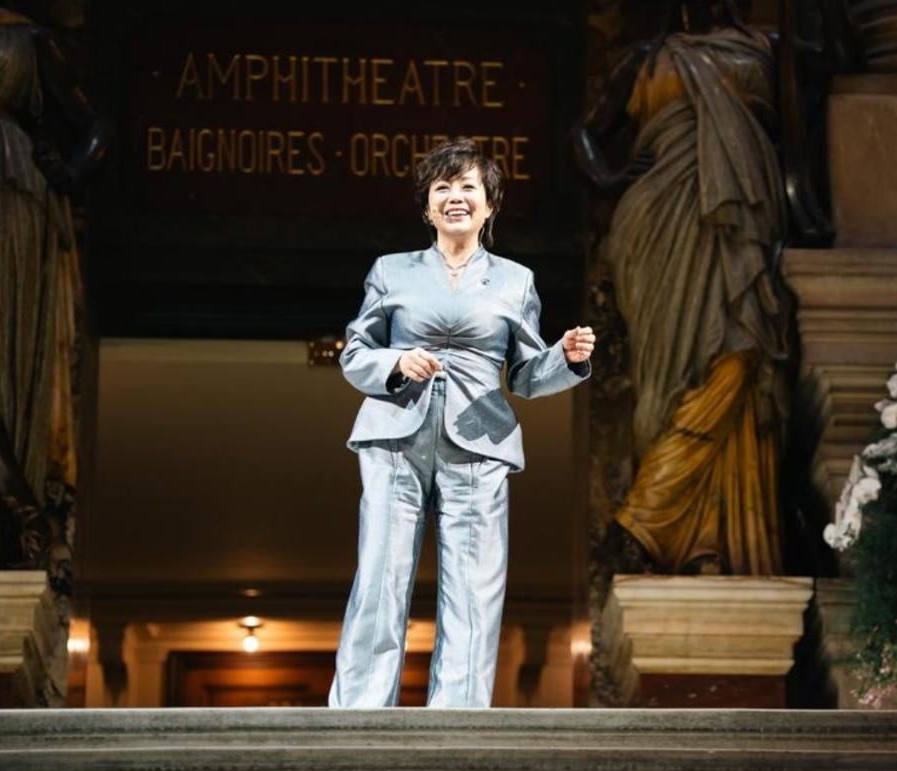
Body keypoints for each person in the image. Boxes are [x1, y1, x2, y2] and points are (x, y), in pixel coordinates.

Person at [329, 139, 594, 709]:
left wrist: (565, 358)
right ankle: (359, 712)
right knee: (380, 574)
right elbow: (355, 353)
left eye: (468, 186)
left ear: (489, 204)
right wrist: (395, 362)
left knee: (475, 585)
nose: (455, 197)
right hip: (394, 435)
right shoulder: (392, 271)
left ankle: (458, 716)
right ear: (427, 206)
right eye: (443, 187)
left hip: (479, 440)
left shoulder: (515, 281)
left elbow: (525, 376)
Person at [571, 0, 792, 576]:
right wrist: (609, 179)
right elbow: (587, 132)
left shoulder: (768, 48)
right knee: (667, 377)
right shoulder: (646, 58)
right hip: (660, 220)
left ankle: (653, 522)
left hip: (743, 220)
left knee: (741, 351)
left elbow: (829, 82)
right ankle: (677, 538)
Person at [0, 2, 110, 578]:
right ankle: (24, 512)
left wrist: (71, 171)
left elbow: (93, 128)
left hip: (4, 190)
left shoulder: (23, 37)